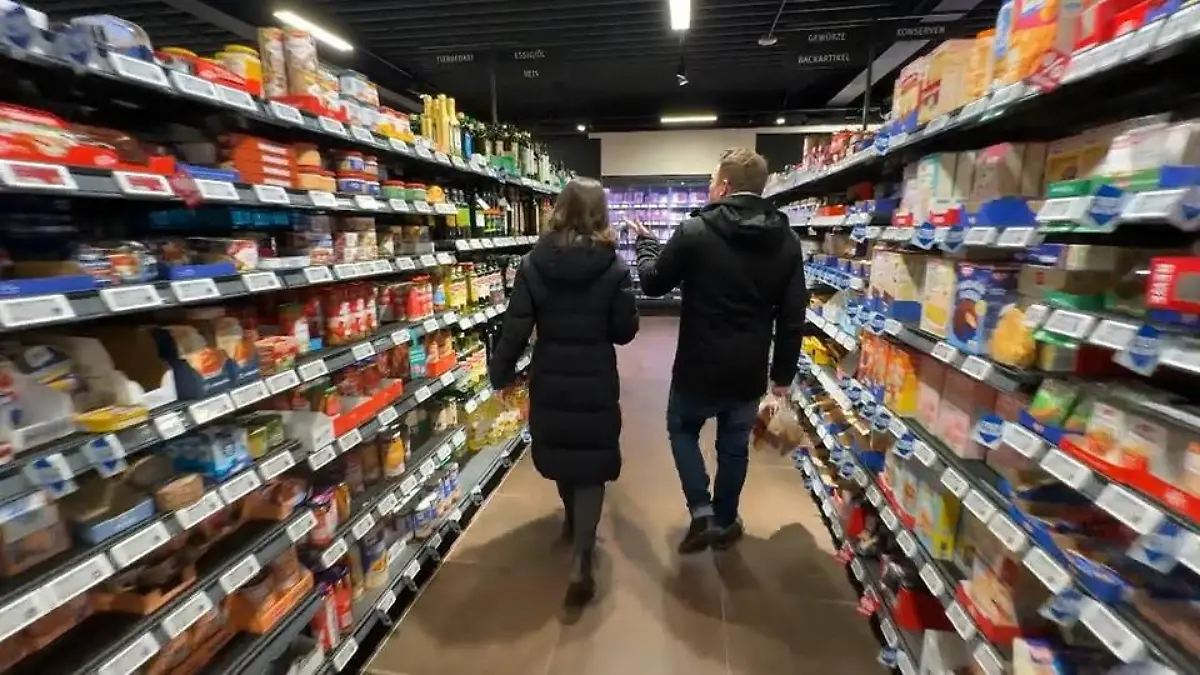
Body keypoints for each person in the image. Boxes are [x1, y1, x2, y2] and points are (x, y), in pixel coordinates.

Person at [630, 148, 806, 554]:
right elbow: (793, 317)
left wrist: (646, 244)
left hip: (698, 363)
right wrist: (781, 380)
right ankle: (726, 522)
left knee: (681, 428)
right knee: (733, 447)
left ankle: (701, 510)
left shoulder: (696, 231)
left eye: (712, 181)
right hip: (747, 370)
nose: (710, 188)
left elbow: (653, 282)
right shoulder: (787, 240)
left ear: (724, 186)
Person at [488, 177, 640, 606]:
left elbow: (516, 326)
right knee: (591, 461)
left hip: (551, 372)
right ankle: (582, 555)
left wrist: (500, 372)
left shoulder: (534, 262)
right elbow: (624, 332)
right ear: (601, 214)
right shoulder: (613, 266)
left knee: (562, 454)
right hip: (594, 374)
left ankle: (572, 521)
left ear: (559, 208)